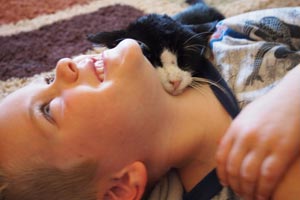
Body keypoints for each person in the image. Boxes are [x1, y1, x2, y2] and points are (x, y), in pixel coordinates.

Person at [0, 38, 300, 200]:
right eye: (48, 109)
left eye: (47, 78)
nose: (63, 65)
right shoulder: (250, 185)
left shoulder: (230, 39)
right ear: (120, 188)